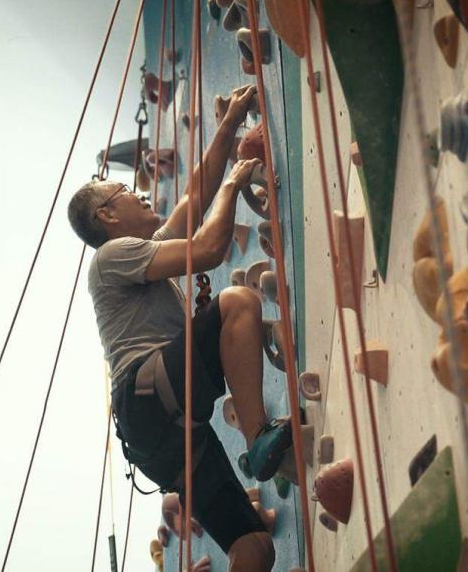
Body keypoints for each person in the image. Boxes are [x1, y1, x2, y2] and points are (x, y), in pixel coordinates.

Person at [67, 85, 291, 571]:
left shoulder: (139, 256)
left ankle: (260, 449)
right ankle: (258, 438)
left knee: (254, 546)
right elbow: (208, 249)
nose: (140, 194)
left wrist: (229, 124)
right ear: (107, 216)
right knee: (236, 303)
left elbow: (192, 196)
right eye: (126, 193)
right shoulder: (112, 255)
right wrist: (234, 185)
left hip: (161, 434)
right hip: (147, 398)